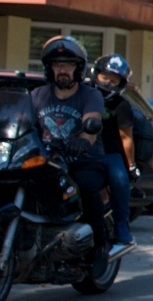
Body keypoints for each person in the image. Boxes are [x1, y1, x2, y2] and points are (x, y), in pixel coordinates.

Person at [30, 36, 113, 253]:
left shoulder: (91, 95)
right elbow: (22, 123)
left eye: (68, 64)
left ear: (78, 68)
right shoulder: (38, 95)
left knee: (84, 186)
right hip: (48, 161)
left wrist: (84, 140)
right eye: (57, 65)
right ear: (50, 69)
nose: (62, 70)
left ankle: (99, 245)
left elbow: (91, 123)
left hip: (83, 160)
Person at [92, 53, 138, 256]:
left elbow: (126, 138)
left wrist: (131, 165)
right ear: (96, 75)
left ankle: (122, 229)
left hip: (110, 154)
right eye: (105, 77)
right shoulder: (83, 95)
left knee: (120, 178)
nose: (108, 83)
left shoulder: (122, 106)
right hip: (81, 152)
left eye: (114, 80)